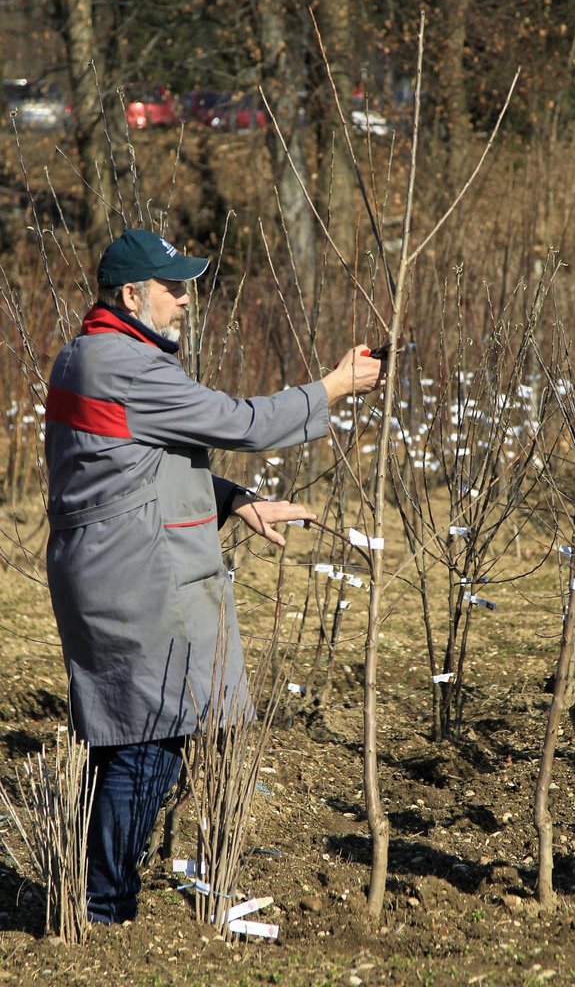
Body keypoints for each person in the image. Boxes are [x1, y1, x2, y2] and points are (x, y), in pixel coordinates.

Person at [44, 227, 384, 924]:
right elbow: (244, 423)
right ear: (131, 295)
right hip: (138, 580)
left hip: (105, 572)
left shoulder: (83, 356)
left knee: (127, 739)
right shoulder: (130, 365)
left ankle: (89, 899)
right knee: (152, 742)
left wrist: (236, 500)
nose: (185, 301)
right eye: (173, 289)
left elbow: (138, 460)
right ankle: (103, 911)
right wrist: (336, 386)